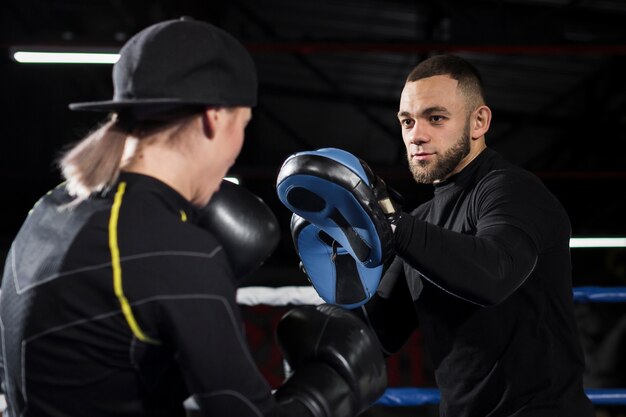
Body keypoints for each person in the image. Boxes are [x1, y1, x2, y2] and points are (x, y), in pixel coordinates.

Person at [0, 18, 386, 417]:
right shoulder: (173, 250)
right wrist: (327, 393)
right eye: (243, 127)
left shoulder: (50, 209)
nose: (237, 150)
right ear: (214, 118)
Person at [353, 54, 595, 416]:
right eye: (407, 121)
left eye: (436, 118)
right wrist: (344, 262)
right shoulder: (421, 222)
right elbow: (381, 331)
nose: (416, 135)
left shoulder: (511, 191)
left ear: (478, 121)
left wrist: (391, 225)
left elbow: (494, 274)